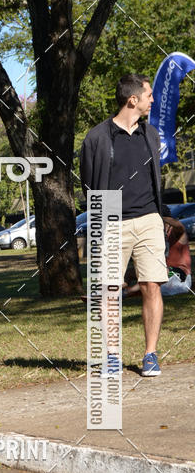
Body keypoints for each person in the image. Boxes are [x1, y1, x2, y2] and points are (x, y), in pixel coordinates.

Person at [80, 73, 166, 377]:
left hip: (148, 219)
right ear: (133, 100)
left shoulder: (150, 134)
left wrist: (161, 214)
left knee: (151, 285)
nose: (152, 99)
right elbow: (89, 184)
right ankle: (113, 357)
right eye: (148, 95)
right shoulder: (97, 137)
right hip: (113, 221)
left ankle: (150, 354)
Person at [124, 205, 192, 298]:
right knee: (131, 272)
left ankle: (128, 292)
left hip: (179, 275)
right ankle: (120, 290)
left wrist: (161, 217)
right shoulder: (156, 234)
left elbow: (180, 226)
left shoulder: (175, 232)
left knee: (155, 272)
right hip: (163, 273)